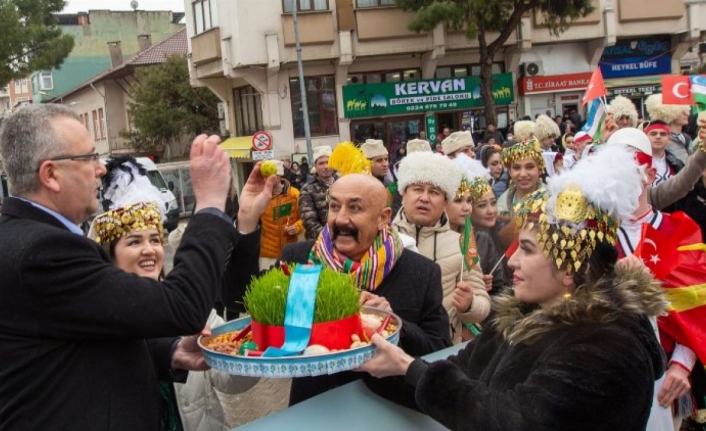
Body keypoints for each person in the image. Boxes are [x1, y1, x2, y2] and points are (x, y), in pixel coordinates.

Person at [359, 143, 666, 431]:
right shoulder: (521, 318)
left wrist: (412, 370)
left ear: (572, 270)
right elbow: (456, 374)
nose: (514, 261)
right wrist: (366, 355)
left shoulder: (607, 346)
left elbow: (513, 419)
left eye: (528, 249)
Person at [0, 104, 271, 429]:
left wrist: (168, 351)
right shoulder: (41, 252)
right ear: (51, 175)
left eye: (154, 239)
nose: (100, 168)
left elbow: (82, 344)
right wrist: (211, 204)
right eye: (88, 158)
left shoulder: (26, 239)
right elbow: (183, 307)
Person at [233, 172, 451, 408]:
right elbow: (238, 299)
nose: (341, 219)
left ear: (383, 218)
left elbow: (439, 349)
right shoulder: (297, 259)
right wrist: (246, 220)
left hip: (391, 410)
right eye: (334, 207)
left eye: (355, 208)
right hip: (316, 410)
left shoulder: (420, 272)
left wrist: (395, 325)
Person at [89, 157, 258, 431]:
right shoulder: (96, 321)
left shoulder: (190, 310)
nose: (150, 250)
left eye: (154, 239)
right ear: (110, 255)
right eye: (134, 241)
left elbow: (232, 381)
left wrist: (257, 342)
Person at [606, 128, 705, 431]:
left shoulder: (680, 231)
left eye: (628, 171)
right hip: (607, 373)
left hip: (664, 375)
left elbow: (697, 305)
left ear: (649, 173)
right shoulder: (591, 237)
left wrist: (681, 364)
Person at [394, 151, 490, 344]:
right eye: (417, 189)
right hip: (392, 350)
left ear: (445, 201)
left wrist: (469, 305)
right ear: (404, 193)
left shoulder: (460, 243)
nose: (424, 198)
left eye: (434, 192)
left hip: (442, 349)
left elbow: (483, 303)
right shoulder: (382, 238)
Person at [447, 154, 506, 295]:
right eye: (458, 201)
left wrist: (481, 290)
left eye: (468, 201)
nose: (465, 207)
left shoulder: (482, 239)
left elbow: (499, 286)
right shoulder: (434, 238)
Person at [258, 159, 303, 270]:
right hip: (267, 254)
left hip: (290, 251)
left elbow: (304, 218)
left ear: (278, 177)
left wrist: (297, 227)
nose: (265, 180)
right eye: (264, 177)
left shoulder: (294, 194)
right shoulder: (260, 197)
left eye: (269, 177)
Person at [497, 137, 545, 220]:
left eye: (530, 167)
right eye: (516, 168)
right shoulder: (501, 206)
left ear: (540, 169)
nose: (523, 174)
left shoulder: (554, 202)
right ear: (510, 172)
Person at [299, 146, 335, 240]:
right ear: (315, 166)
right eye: (321, 163)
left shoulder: (343, 183)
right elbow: (309, 221)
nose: (326, 167)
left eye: (328, 162)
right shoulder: (307, 190)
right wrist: (330, 238)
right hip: (321, 242)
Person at [646, 94, 692, 165]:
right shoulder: (661, 141)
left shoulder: (687, 138)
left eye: (687, 111)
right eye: (682, 112)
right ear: (671, 114)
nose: (687, 114)